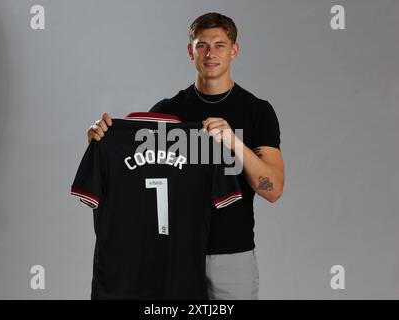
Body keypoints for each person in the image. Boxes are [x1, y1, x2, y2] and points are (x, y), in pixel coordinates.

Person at [86, 12, 285, 300]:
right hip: (174, 254)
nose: (210, 53)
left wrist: (234, 143)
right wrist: (100, 140)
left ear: (234, 50)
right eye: (202, 45)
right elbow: (130, 172)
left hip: (231, 253)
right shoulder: (166, 113)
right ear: (191, 51)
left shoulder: (257, 111)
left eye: (219, 45)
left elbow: (274, 189)